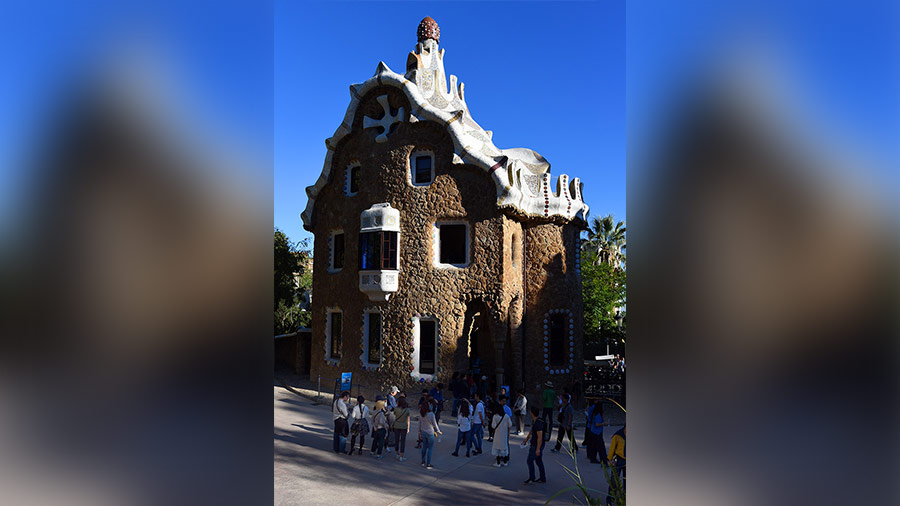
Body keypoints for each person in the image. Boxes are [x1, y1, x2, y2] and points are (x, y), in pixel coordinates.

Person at [523, 405, 547, 484]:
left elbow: (539, 437)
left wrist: (537, 449)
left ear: (531, 413)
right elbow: (531, 431)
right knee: (538, 461)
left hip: (536, 445)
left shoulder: (538, 423)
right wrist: (526, 439)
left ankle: (532, 477)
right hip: (537, 444)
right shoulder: (535, 421)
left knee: (530, 461)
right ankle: (542, 477)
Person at [419, 400, 442, 469]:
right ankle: (428, 463)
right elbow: (434, 424)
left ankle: (423, 461)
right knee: (430, 448)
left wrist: (419, 432)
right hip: (430, 432)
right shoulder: (431, 414)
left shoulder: (421, 414)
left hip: (423, 431)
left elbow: (419, 424)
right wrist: (438, 431)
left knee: (424, 447)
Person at [606, 426, 626, 505]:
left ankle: (624, 499)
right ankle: (610, 499)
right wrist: (610, 459)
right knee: (614, 481)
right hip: (618, 459)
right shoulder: (618, 435)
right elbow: (612, 448)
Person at [490, 400, 512, 467]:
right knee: (504, 448)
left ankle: (498, 462)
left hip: (497, 435)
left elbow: (493, 426)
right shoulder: (506, 416)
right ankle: (505, 462)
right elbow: (510, 425)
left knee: (497, 449)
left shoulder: (495, 416)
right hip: (504, 434)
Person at [585, 399, 607, 465]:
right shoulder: (598, 415)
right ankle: (603, 460)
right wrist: (604, 423)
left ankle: (593, 458)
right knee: (601, 447)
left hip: (593, 431)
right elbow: (597, 424)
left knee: (594, 446)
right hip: (597, 432)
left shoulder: (594, 413)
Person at [392, 396, 410, 461]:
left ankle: (397, 453)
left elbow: (394, 416)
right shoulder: (407, 410)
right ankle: (401, 456)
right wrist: (408, 427)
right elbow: (408, 419)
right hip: (404, 425)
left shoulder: (396, 409)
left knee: (396, 439)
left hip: (397, 425)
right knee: (403, 441)